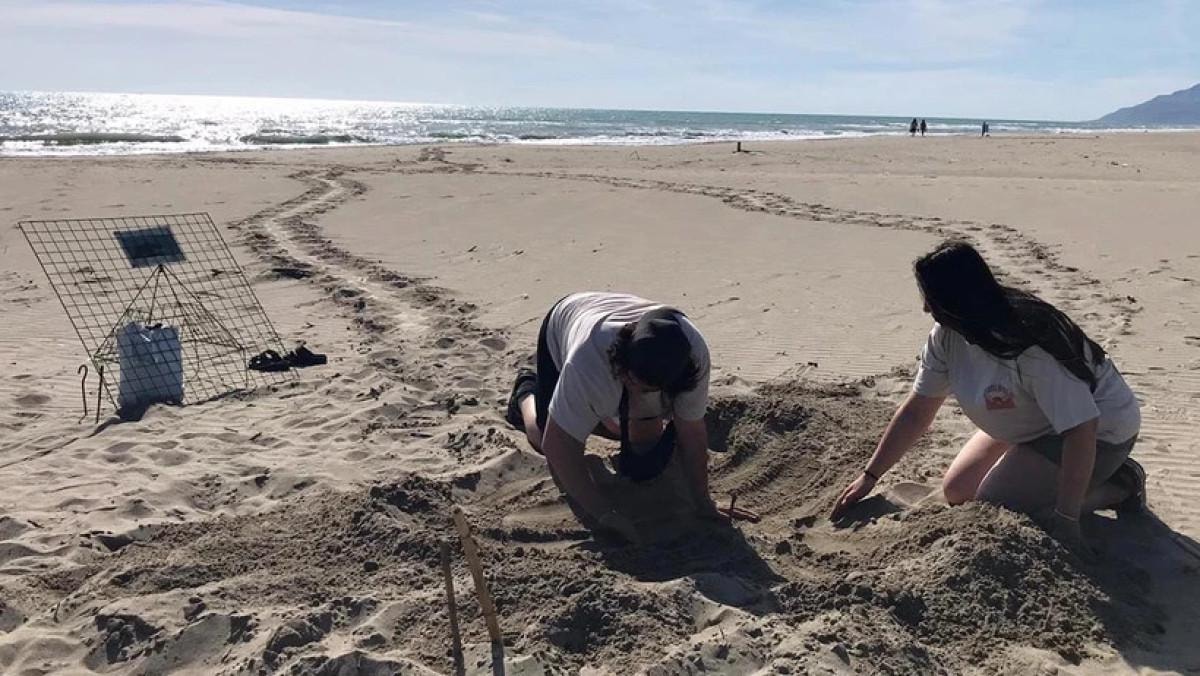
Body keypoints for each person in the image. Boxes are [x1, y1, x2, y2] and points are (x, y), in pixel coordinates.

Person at [831, 241, 1145, 546]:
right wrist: (870, 476)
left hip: (1099, 431)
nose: (926, 308)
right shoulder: (946, 337)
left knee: (1001, 508)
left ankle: (1121, 484)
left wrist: (1066, 518)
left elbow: (1081, 428)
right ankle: (1045, 476)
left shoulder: (1030, 348)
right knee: (958, 492)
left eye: (932, 299)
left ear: (957, 299)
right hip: (1030, 421)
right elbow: (917, 411)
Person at [505, 292, 717, 542]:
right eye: (631, 382)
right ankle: (526, 391)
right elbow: (557, 445)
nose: (634, 388)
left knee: (643, 453)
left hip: (636, 350)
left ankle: (603, 414)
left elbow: (692, 432)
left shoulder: (694, 356)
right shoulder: (588, 361)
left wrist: (704, 501)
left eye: (645, 389)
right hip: (565, 320)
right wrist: (604, 513)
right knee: (542, 437)